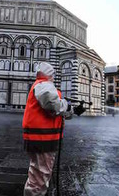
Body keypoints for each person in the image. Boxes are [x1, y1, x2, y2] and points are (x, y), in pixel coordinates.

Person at [22, 62, 85, 196]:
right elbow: (53, 105)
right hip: (42, 139)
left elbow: (53, 112)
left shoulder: (41, 85)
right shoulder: (43, 85)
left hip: (41, 139)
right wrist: (67, 105)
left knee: (38, 173)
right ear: (50, 74)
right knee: (40, 177)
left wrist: (73, 110)